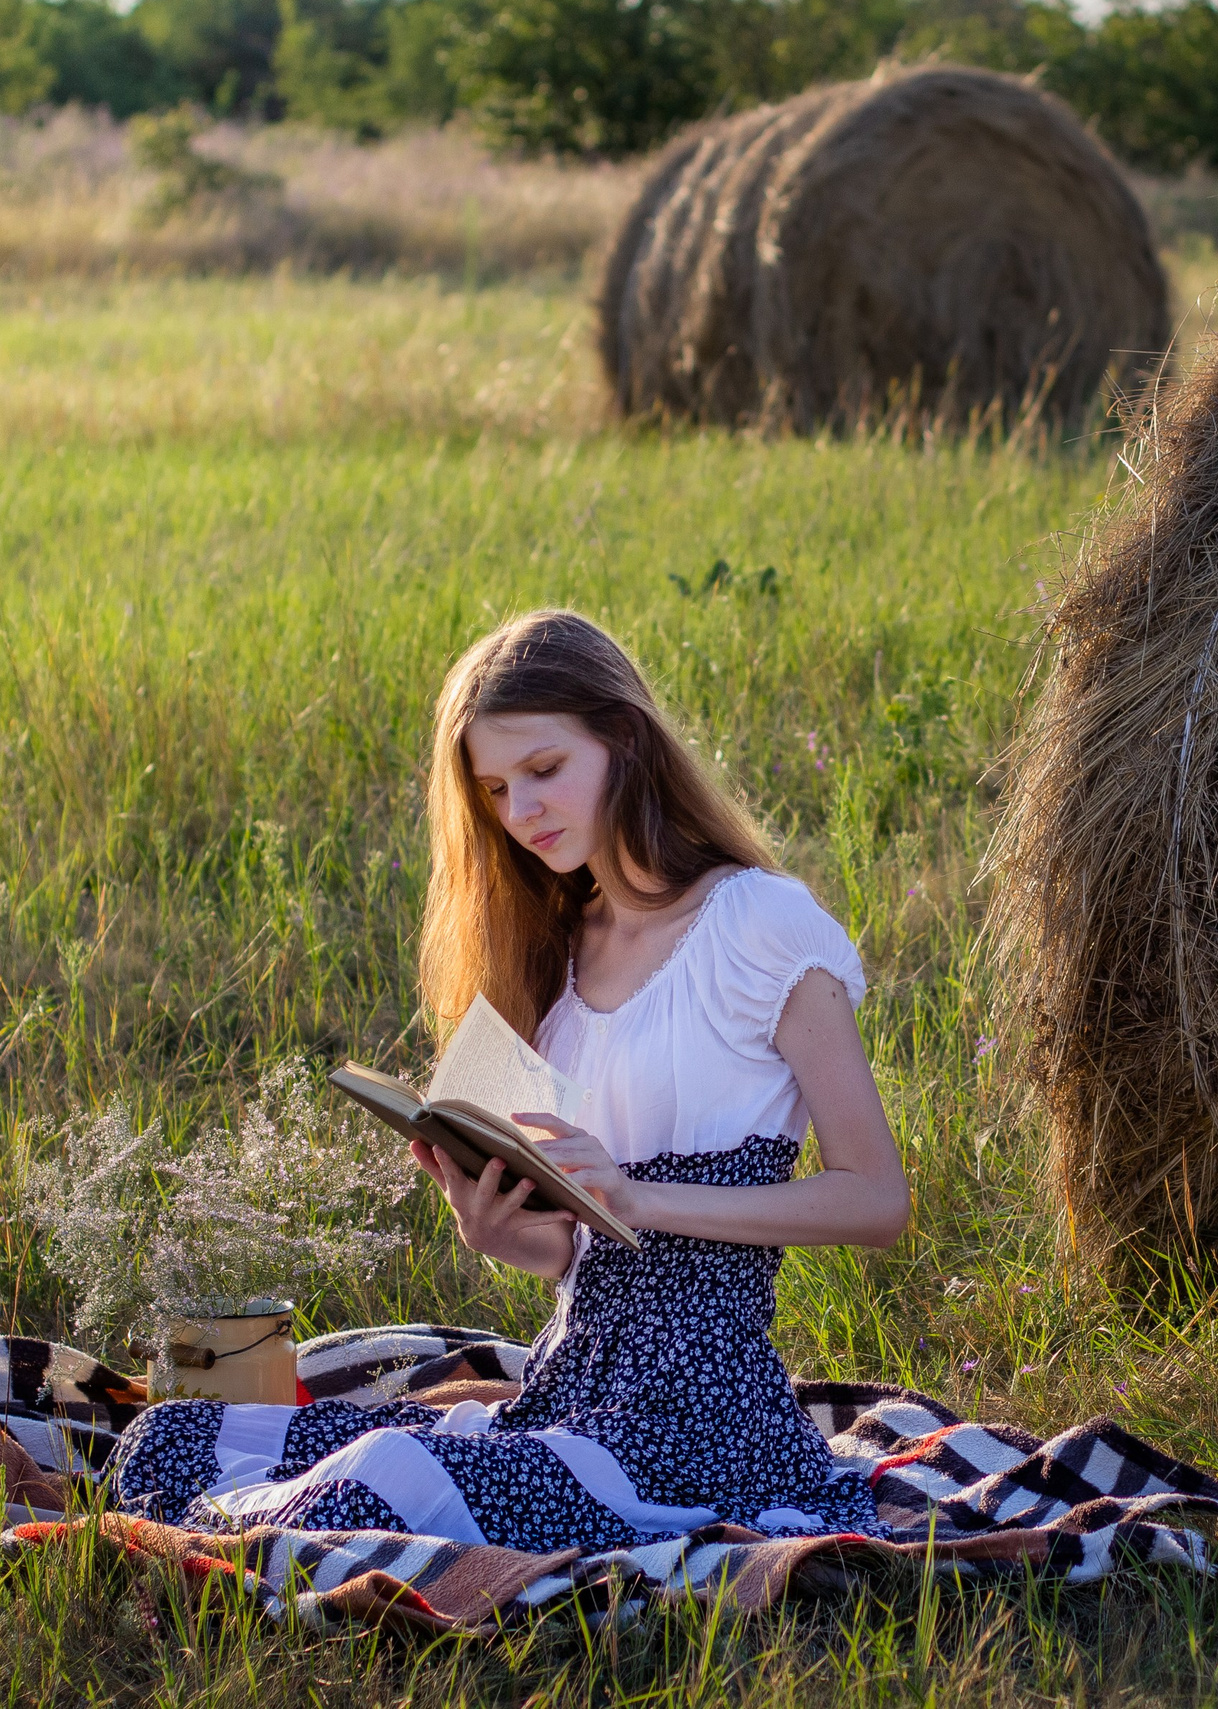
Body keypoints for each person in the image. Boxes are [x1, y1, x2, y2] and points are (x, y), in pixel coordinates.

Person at [108, 610, 911, 1549]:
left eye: (543, 770)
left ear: (622, 738)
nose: (520, 810)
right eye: (494, 787)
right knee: (170, 1438)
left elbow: (876, 1199)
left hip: (699, 1428)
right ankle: (237, 1535)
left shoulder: (760, 922)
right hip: (563, 1391)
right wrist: (505, 1235)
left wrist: (635, 1195)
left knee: (373, 1483)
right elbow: (576, 1254)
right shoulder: (548, 948)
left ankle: (230, 1543)